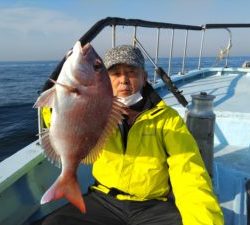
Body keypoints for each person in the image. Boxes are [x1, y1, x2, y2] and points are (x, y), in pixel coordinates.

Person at [41, 45, 224, 225]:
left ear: (144, 78)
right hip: (103, 199)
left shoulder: (168, 120)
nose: (124, 80)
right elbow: (59, 121)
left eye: (131, 72)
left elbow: (190, 174)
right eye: (115, 74)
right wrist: (61, 85)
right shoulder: (98, 111)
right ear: (105, 78)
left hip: (153, 206)